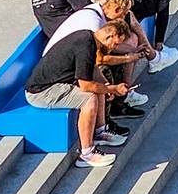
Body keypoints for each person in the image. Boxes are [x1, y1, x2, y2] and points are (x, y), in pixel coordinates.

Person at [24, 19, 132, 169]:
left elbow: (92, 69)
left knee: (99, 87)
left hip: (53, 84)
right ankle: (86, 154)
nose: (115, 47)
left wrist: (107, 86)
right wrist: (113, 89)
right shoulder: (86, 45)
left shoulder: (88, 38)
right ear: (110, 36)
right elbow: (86, 86)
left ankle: (100, 132)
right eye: (116, 44)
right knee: (89, 99)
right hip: (41, 92)